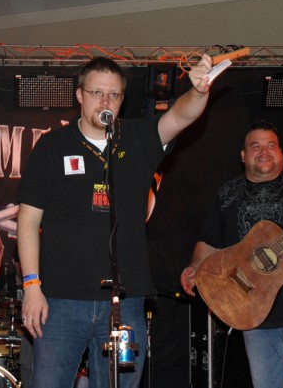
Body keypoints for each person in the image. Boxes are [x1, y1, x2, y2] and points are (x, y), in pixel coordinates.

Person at [17, 54, 214, 388]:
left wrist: (198, 91)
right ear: (80, 96)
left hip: (126, 299)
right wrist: (32, 285)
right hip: (61, 301)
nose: (105, 101)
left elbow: (182, 114)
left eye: (114, 95)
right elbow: (27, 220)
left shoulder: (137, 137)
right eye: (97, 93)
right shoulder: (52, 146)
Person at [181, 120, 283, 388]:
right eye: (255, 146)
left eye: (271, 145)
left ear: (281, 152)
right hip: (254, 316)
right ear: (243, 155)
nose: (264, 152)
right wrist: (194, 267)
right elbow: (208, 241)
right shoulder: (227, 194)